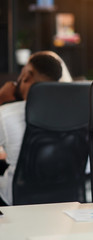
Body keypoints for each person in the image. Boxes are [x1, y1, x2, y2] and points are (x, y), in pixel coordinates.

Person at [0, 51, 62, 205]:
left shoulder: (6, 114)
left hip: (16, 201)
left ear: (27, 75)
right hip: (66, 199)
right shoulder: (76, 113)